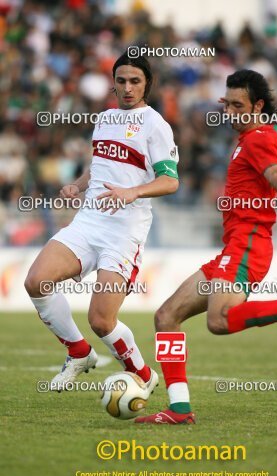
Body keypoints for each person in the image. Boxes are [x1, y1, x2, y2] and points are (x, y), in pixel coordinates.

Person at [135, 69, 277, 425]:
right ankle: (180, 409)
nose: (229, 112)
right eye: (226, 104)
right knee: (166, 317)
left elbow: (275, 174)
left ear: (258, 105)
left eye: (237, 105)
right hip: (233, 248)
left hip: (248, 244)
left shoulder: (260, 137)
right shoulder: (246, 138)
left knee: (220, 320)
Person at [24, 52, 179, 394]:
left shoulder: (155, 125)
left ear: (147, 84)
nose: (127, 87)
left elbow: (170, 181)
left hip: (123, 234)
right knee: (37, 281)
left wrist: (132, 192)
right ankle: (78, 353)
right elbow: (100, 164)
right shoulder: (106, 118)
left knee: (101, 321)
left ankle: (142, 374)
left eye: (135, 81)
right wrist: (77, 186)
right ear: (113, 83)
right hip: (87, 222)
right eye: (121, 80)